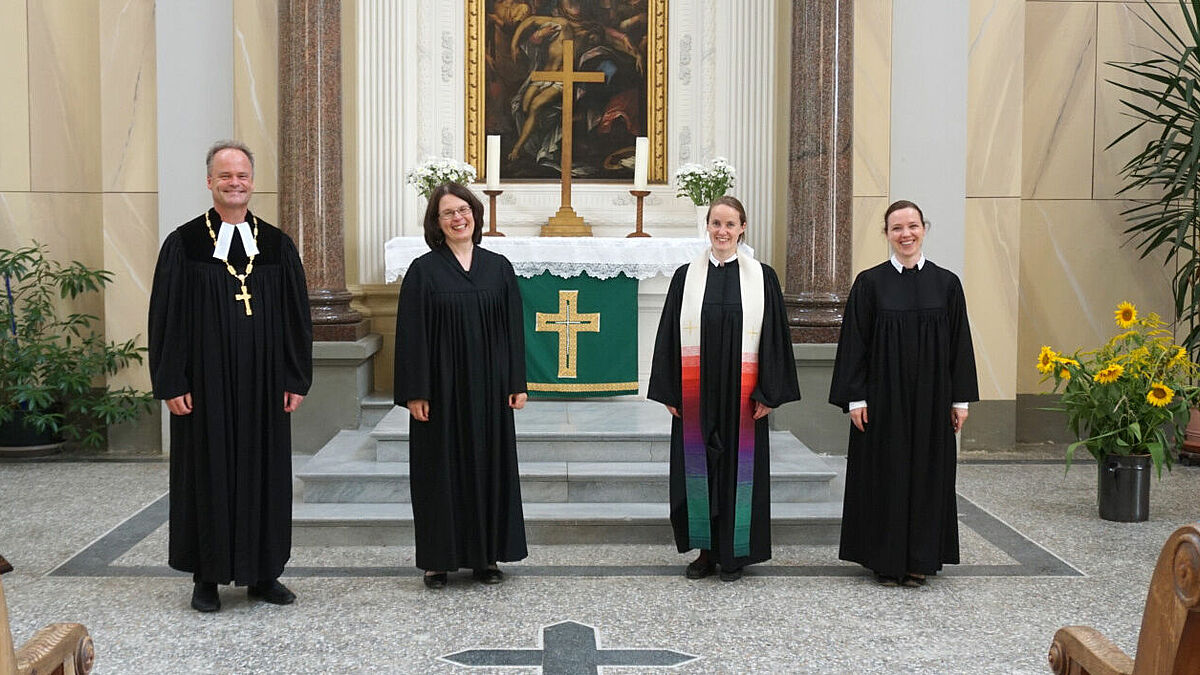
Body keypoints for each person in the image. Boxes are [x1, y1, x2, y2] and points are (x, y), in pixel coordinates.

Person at [148, 140, 313, 612]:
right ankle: (207, 576)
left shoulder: (278, 244)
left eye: (241, 175)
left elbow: (297, 317)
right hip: (205, 385)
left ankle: (264, 574)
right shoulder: (184, 243)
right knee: (207, 473)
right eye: (225, 176)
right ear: (209, 182)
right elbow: (166, 317)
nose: (234, 183)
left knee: (265, 474)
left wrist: (294, 377)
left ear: (252, 181)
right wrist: (171, 381)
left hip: (264, 385)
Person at [648, 196, 800, 581]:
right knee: (700, 468)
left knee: (738, 468)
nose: (722, 231)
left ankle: (735, 553)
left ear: (742, 228)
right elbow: (668, 333)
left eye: (730, 224)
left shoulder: (761, 277)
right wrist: (670, 391)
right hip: (697, 391)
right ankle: (705, 551)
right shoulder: (687, 275)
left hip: (743, 396)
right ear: (707, 227)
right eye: (716, 223)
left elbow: (775, 338)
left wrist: (768, 392)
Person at [829, 199, 979, 587]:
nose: (906, 234)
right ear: (886, 234)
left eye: (912, 226)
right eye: (897, 228)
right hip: (883, 401)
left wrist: (959, 400)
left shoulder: (946, 284)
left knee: (928, 475)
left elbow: (960, 344)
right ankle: (885, 559)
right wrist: (855, 398)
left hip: (932, 400)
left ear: (924, 229)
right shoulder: (870, 282)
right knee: (886, 474)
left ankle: (920, 561)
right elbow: (855, 344)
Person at [393, 182, 529, 589]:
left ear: (475, 214)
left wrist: (516, 382)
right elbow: (411, 335)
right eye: (448, 213)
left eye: (463, 210)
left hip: (489, 389)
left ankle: (486, 556)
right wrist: (416, 390)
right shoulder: (423, 271)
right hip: (442, 392)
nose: (458, 218)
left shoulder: (498, 267)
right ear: (437, 223)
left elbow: (513, 330)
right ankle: (438, 560)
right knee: (440, 471)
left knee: (489, 467)